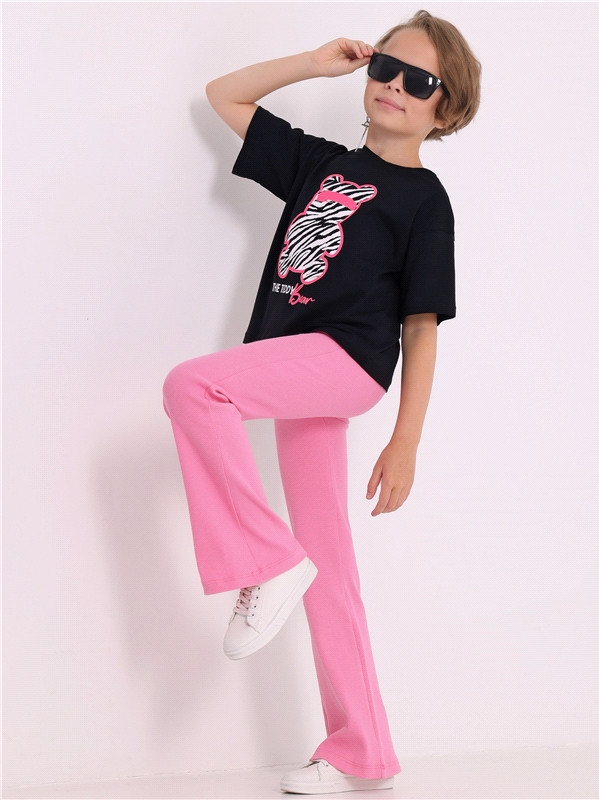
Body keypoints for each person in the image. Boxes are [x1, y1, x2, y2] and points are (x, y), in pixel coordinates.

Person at [163, 9, 481, 795]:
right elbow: (225, 95)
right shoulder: (319, 164)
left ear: (445, 106)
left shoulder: (424, 200)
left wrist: (406, 440)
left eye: (419, 81)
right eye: (385, 68)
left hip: (348, 361)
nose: (395, 86)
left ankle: (265, 561)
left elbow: (420, 327)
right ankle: (361, 751)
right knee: (329, 565)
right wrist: (312, 62)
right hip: (298, 365)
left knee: (195, 386)